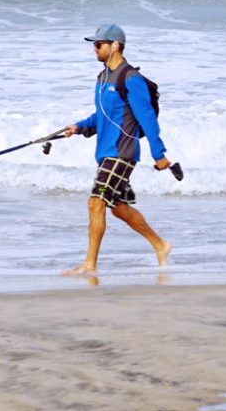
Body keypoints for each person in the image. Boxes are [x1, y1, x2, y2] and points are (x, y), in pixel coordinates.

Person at [62, 23, 173, 275]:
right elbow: (102, 116)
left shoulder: (130, 78)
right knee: (119, 208)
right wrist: (79, 127)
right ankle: (160, 245)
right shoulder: (103, 78)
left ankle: (90, 264)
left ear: (115, 45)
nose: (95, 49)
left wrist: (159, 154)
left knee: (95, 202)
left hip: (121, 152)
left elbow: (147, 118)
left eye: (98, 44)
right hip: (105, 152)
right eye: (93, 44)